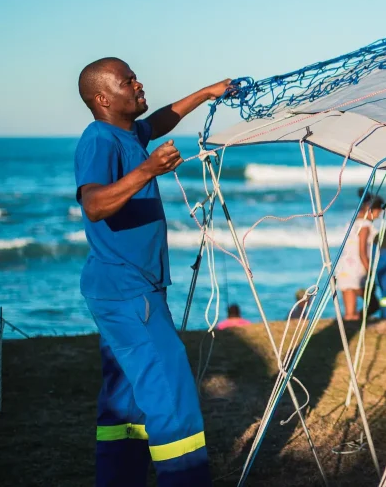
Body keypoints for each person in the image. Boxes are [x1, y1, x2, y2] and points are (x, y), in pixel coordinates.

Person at [74, 57, 231, 487]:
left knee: (126, 403)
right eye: (128, 81)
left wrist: (205, 92)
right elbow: (93, 204)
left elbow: (159, 121)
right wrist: (148, 170)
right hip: (126, 290)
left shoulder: (130, 132)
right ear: (103, 98)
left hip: (127, 287)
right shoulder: (99, 139)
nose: (139, 84)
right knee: (170, 390)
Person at [336, 190, 385, 321]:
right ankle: (359, 322)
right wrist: (369, 271)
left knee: (349, 313)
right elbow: (362, 251)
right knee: (374, 304)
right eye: (378, 212)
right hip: (357, 269)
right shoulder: (365, 226)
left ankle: (351, 327)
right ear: (371, 210)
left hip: (344, 267)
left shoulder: (353, 222)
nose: (379, 216)